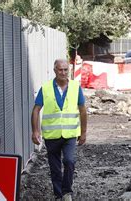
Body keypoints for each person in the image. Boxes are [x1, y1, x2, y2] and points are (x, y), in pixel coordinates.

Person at [31, 59, 87, 201]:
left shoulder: (75, 87)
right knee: (54, 168)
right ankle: (58, 194)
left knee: (69, 161)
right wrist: (35, 131)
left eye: (65, 70)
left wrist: (84, 132)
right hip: (52, 135)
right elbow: (36, 110)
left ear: (69, 70)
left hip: (70, 134)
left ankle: (67, 192)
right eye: (60, 70)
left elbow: (82, 111)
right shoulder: (46, 88)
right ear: (55, 70)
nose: (63, 72)